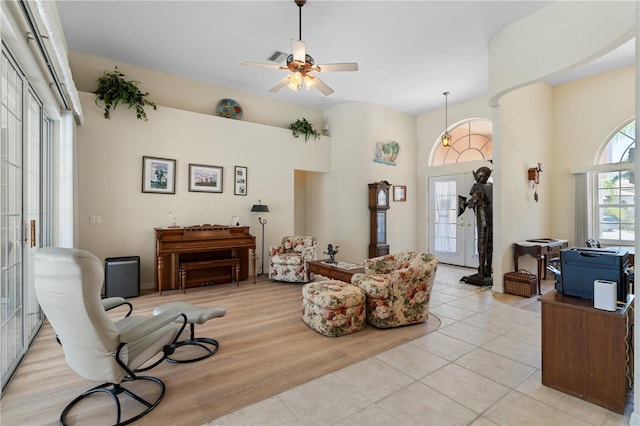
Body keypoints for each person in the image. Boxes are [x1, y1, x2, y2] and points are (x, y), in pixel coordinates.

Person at [459, 167, 493, 285]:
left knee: (482, 245)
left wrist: (463, 204)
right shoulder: (491, 186)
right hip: (491, 218)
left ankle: (482, 272)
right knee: (489, 245)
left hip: (482, 218)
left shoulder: (477, 187)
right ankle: (488, 271)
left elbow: (473, 201)